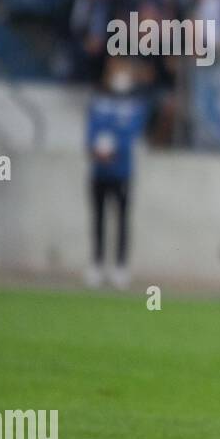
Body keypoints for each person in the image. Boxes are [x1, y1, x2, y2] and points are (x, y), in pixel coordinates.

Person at [84, 56, 149, 290]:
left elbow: (132, 134)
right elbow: (91, 131)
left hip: (122, 170)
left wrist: (114, 150)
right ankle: (97, 264)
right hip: (99, 170)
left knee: (121, 220)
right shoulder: (99, 101)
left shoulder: (134, 105)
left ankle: (121, 266)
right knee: (98, 218)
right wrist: (96, 149)